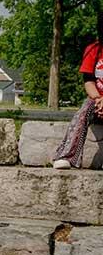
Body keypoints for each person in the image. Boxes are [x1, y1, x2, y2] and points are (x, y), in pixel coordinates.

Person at [53, 20, 103, 169]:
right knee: (83, 111)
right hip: (97, 101)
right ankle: (67, 156)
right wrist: (99, 99)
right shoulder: (93, 50)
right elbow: (88, 81)